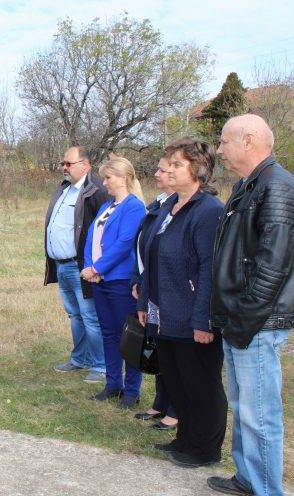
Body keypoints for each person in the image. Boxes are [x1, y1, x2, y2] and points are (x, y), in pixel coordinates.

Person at [207, 115, 294, 496]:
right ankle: (247, 478)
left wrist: (245, 320)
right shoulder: (249, 184)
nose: (219, 150)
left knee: (260, 415)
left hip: (258, 321)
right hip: (241, 318)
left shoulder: (277, 186)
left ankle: (266, 489)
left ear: (248, 141)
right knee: (243, 407)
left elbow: (273, 264)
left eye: (224, 142)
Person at [136, 139, 226, 469]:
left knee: (200, 384)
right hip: (165, 313)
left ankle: (205, 450)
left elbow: (209, 269)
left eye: (177, 165)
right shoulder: (169, 206)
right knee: (176, 381)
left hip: (192, 318)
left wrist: (203, 321)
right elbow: (152, 257)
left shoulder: (208, 211)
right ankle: (185, 440)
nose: (169, 170)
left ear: (198, 170)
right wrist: (145, 301)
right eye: (168, 164)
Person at [81, 157, 145, 408]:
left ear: (124, 178)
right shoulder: (106, 206)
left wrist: (98, 267)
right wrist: (90, 267)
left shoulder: (134, 207)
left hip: (119, 280)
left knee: (128, 336)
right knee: (108, 333)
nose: (104, 182)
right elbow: (90, 237)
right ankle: (112, 384)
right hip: (100, 280)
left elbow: (124, 242)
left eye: (108, 177)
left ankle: (132, 391)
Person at [45, 146, 109, 384]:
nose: (64, 167)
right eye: (63, 163)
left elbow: (103, 229)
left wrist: (96, 265)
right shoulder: (63, 189)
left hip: (80, 265)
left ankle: (101, 365)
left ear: (85, 165)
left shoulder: (95, 191)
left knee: (90, 316)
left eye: (69, 163)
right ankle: (80, 358)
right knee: (74, 314)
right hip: (61, 265)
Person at [130, 155, 178, 430]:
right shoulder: (159, 203)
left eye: (163, 169)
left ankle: (175, 409)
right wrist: (139, 278)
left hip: (171, 291)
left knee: (172, 351)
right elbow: (145, 246)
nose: (157, 174)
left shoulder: (185, 208)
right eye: (158, 168)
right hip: (151, 285)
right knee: (157, 347)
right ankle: (161, 402)